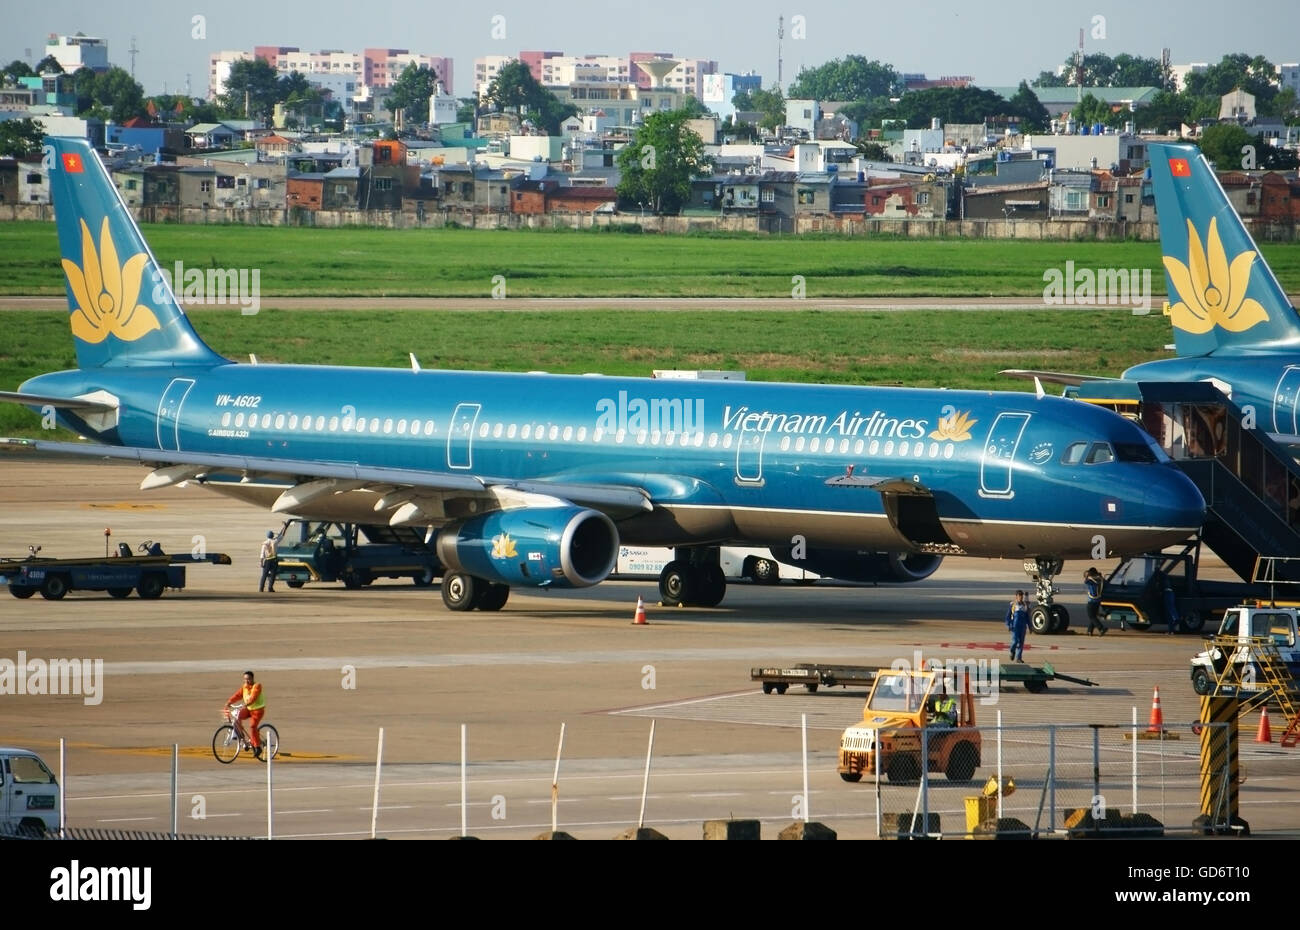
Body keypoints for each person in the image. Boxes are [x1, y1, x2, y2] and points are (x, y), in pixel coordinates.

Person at [225, 671, 266, 758]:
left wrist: (247, 703)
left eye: (248, 679)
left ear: (252, 679)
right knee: (237, 717)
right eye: (245, 679)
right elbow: (238, 695)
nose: (246, 681)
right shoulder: (244, 687)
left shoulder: (257, 686)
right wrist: (229, 702)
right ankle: (242, 737)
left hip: (258, 710)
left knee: (252, 726)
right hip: (249, 709)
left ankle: (258, 747)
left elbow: (253, 697)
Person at [1005, 590, 1030, 661]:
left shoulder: (1025, 606)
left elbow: (1027, 617)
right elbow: (1008, 616)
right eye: (1019, 596)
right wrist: (1008, 624)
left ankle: (1018, 658)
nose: (1021, 597)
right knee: (1015, 641)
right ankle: (1012, 651)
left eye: (1021, 596)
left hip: (1023, 626)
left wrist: (1030, 626)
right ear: (1016, 597)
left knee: (1021, 643)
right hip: (1015, 626)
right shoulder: (1013, 605)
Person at [1085, 567, 1107, 636]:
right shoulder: (1100, 579)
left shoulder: (1091, 580)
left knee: (1091, 616)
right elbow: (1105, 582)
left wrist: (1087, 576)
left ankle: (1101, 628)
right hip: (1098, 601)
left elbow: (1086, 581)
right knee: (1093, 616)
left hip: (1092, 601)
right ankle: (1089, 631)